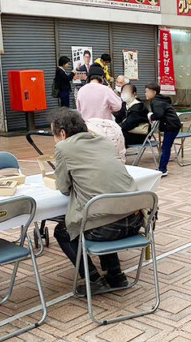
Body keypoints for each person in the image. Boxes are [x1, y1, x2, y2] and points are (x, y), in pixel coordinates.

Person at [50, 108, 142, 296]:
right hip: (135, 222)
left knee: (64, 230)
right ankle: (116, 275)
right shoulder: (105, 142)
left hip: (105, 229)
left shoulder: (63, 147)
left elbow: (64, 188)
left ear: (62, 133)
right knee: (104, 213)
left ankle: (92, 279)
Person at [146, 82, 181, 176]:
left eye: (147, 92)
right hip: (173, 125)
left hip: (171, 126)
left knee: (166, 147)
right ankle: (162, 168)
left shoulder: (156, 102)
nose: (146, 94)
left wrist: (151, 116)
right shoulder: (161, 99)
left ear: (154, 92)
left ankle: (162, 169)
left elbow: (159, 114)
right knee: (166, 147)